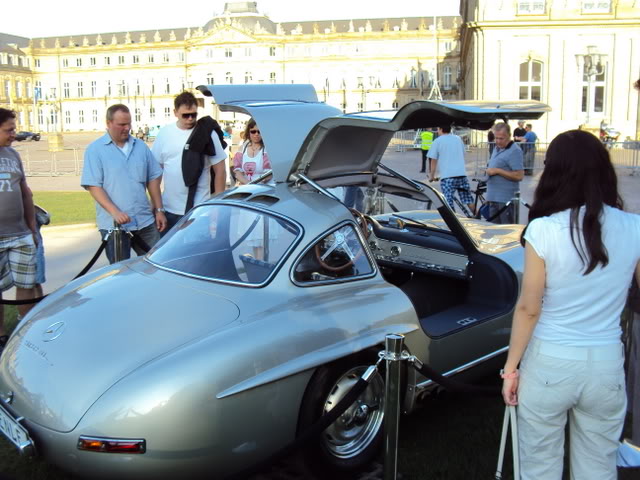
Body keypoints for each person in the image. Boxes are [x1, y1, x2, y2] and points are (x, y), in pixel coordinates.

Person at [501, 129, 640, 480]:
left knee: (539, 466)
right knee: (598, 468)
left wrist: (511, 368)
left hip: (550, 361)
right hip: (606, 363)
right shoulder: (634, 227)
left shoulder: (543, 230)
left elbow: (529, 308)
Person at [81, 104, 166, 264]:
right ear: (108, 123)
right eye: (121, 124)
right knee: (120, 274)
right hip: (115, 227)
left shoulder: (140, 147)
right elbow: (93, 185)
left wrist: (159, 209)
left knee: (157, 266)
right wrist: (115, 212)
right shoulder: (95, 150)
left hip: (144, 221)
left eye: (129, 123)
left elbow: (153, 178)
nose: (127, 128)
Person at [152, 91, 227, 233]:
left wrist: (217, 204)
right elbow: (155, 174)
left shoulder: (206, 133)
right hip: (170, 208)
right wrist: (158, 208)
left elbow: (220, 170)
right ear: (175, 113)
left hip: (199, 209)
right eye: (185, 115)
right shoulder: (164, 134)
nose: (190, 119)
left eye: (194, 114)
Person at [0, 108, 38, 346]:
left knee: (27, 284)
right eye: (9, 130)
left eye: (14, 129)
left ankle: (24, 331)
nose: (14, 134)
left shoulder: (13, 155)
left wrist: (32, 228)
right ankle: (1, 335)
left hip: (20, 233)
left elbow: (25, 192)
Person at [428, 124, 474, 213]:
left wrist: (431, 176)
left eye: (438, 129)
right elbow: (463, 153)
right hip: (462, 175)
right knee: (468, 200)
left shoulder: (437, 141)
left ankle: (454, 224)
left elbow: (433, 160)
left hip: (448, 177)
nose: (437, 131)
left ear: (441, 129)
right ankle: (478, 217)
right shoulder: (457, 139)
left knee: (448, 205)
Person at [485, 122, 524, 224]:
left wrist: (498, 171)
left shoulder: (514, 151)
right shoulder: (497, 148)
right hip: (493, 198)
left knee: (505, 233)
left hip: (505, 200)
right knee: (493, 233)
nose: (497, 141)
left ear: (509, 136)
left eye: (501, 138)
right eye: (496, 138)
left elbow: (519, 175)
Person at [233, 120, 271, 185]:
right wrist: (249, 184)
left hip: (264, 189)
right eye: (253, 131)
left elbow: (269, 174)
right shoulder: (242, 149)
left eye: (259, 132)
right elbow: (238, 172)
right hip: (247, 189)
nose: (256, 134)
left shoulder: (268, 149)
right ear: (248, 132)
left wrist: (255, 185)